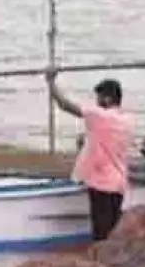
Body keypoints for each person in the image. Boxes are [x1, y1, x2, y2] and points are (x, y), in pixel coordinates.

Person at [46, 73, 133, 241]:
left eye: (99, 97)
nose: (96, 101)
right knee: (112, 230)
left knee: (100, 233)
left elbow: (64, 105)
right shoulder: (127, 120)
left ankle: (100, 262)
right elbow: (105, 139)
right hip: (119, 183)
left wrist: (51, 82)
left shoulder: (99, 116)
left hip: (102, 184)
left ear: (107, 99)